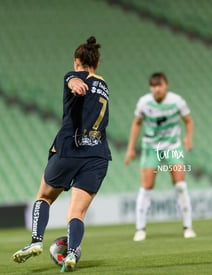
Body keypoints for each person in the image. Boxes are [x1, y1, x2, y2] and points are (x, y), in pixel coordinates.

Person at [12, 36, 111, 272]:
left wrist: (74, 83)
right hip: (97, 156)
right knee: (77, 212)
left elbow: (73, 81)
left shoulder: (73, 75)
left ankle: (36, 241)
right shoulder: (104, 85)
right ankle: (73, 254)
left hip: (69, 149)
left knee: (44, 196)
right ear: (97, 62)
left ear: (77, 61)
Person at [124, 72, 196, 241]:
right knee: (147, 186)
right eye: (154, 86)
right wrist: (130, 148)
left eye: (160, 85)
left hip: (172, 146)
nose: (157, 89)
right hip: (151, 146)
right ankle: (140, 229)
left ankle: (188, 227)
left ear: (166, 85)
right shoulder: (144, 102)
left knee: (180, 185)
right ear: (151, 88)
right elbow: (136, 123)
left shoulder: (177, 101)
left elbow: (189, 121)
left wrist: (188, 137)